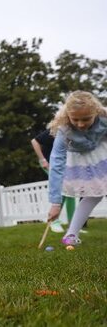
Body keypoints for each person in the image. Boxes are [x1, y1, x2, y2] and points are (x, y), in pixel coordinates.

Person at [46, 91, 107, 246]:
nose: (80, 124)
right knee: (93, 195)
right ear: (68, 116)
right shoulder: (64, 131)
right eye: (75, 119)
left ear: (96, 112)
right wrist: (55, 203)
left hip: (102, 156)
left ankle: (71, 234)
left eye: (86, 119)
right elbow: (56, 164)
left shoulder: (104, 119)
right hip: (82, 161)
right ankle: (71, 235)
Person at [31, 130, 77, 233]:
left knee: (70, 192)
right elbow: (34, 141)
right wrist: (42, 160)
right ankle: (54, 222)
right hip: (50, 164)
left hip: (65, 163)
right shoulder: (55, 130)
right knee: (61, 189)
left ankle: (73, 225)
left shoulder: (75, 131)